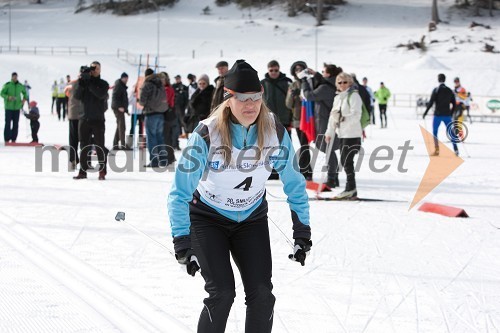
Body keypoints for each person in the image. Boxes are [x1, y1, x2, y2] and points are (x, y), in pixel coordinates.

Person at [168, 59, 312, 333]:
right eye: (243, 99)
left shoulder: (274, 131)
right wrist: (182, 241)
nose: (251, 105)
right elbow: (179, 192)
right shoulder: (207, 134)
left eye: (256, 98)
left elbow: (294, 183)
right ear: (228, 98)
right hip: (208, 218)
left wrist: (302, 230)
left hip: (251, 219)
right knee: (222, 293)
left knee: (262, 294)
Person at [301, 63, 342, 189]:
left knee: (328, 149)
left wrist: (304, 81)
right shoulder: (334, 84)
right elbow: (323, 81)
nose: (322, 73)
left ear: (328, 74)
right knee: (329, 149)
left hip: (326, 121)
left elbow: (309, 96)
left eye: (323, 71)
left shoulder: (325, 87)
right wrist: (315, 74)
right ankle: (334, 177)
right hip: (329, 121)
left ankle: (332, 178)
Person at [325, 72, 363, 199]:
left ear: (350, 83)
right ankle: (351, 188)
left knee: (347, 161)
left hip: (352, 134)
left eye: (345, 82)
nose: (342, 85)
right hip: (342, 134)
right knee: (345, 161)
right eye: (340, 82)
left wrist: (343, 119)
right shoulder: (337, 98)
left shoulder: (354, 96)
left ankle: (350, 188)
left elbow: (357, 114)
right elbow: (332, 117)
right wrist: (329, 132)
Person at [73, 61, 110, 180]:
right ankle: (83, 171)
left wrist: (89, 82)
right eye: (92, 68)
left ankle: (102, 171)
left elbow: (100, 94)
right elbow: (77, 96)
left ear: (100, 70)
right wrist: (81, 81)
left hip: (98, 119)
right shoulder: (84, 82)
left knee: (99, 145)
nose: (94, 70)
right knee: (83, 146)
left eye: (96, 68)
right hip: (84, 118)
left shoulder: (103, 84)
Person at [286, 60, 313, 180]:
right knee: (304, 144)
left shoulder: (310, 82)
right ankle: (305, 170)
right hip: (298, 119)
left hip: (310, 117)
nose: (299, 72)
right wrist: (293, 95)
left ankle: (306, 170)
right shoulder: (293, 85)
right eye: (296, 70)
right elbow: (288, 104)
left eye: (301, 69)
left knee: (306, 144)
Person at [422, 73, 458, 156]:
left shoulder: (436, 90)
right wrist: (451, 113)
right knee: (451, 132)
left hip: (437, 115)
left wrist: (425, 112)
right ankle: (455, 149)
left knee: (435, 132)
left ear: (438, 79)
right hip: (447, 115)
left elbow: (431, 102)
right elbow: (454, 104)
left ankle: (437, 150)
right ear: (445, 79)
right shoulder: (449, 90)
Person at [139, 68, 169, 167]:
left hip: (151, 114)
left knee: (151, 138)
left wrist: (140, 99)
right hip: (161, 114)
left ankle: (154, 160)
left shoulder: (147, 84)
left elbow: (142, 101)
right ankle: (163, 160)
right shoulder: (160, 83)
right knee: (160, 137)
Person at [65, 70, 84, 171]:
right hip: (81, 114)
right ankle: (82, 161)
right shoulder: (84, 84)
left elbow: (66, 93)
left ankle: (72, 161)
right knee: (82, 139)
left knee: (73, 140)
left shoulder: (71, 83)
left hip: (73, 113)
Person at [1, 72, 27, 143]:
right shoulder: (8, 85)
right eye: (14, 77)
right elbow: (2, 93)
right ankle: (6, 139)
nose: (15, 78)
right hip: (8, 107)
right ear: (12, 77)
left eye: (16, 77)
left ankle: (13, 139)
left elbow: (25, 93)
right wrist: (8, 97)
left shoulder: (20, 85)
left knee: (16, 124)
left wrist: (23, 100)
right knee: (8, 123)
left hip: (17, 108)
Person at [160, 71, 176, 165]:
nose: (162, 81)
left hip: (167, 114)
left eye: (163, 79)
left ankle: (169, 157)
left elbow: (166, 101)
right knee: (166, 136)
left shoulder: (167, 89)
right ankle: (170, 156)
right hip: (166, 114)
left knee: (166, 137)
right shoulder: (165, 88)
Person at [111, 72, 130, 150]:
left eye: (127, 78)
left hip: (121, 108)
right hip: (118, 108)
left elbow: (123, 99)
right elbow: (115, 97)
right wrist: (119, 107)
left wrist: (126, 110)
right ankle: (122, 145)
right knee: (122, 126)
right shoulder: (119, 85)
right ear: (122, 78)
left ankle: (115, 144)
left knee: (120, 126)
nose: (126, 80)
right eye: (125, 78)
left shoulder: (122, 85)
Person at [173, 74, 188, 147]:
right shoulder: (173, 86)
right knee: (176, 125)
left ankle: (186, 136)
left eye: (178, 78)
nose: (177, 80)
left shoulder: (184, 87)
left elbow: (186, 98)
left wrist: (185, 106)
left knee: (184, 123)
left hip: (182, 109)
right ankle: (176, 142)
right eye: (176, 79)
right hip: (174, 109)